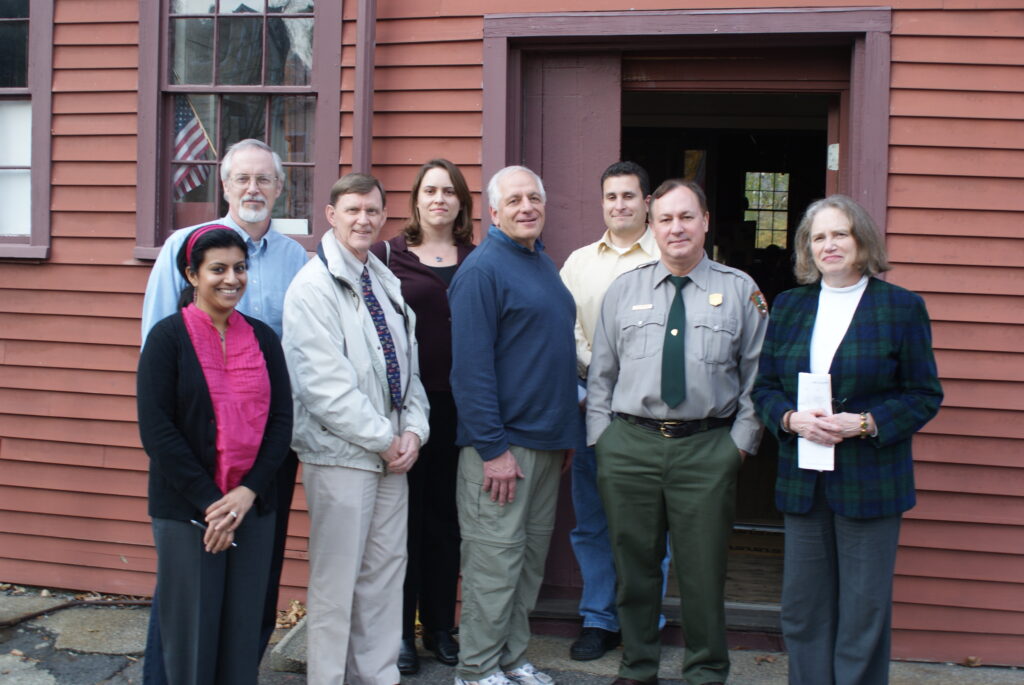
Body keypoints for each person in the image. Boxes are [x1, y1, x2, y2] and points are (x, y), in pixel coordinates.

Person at [751, 195, 942, 685]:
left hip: (871, 481)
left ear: (862, 241)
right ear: (806, 249)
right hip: (804, 479)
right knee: (803, 608)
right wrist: (791, 419)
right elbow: (765, 389)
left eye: (840, 234)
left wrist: (865, 423)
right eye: (818, 237)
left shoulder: (901, 307)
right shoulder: (791, 306)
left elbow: (923, 394)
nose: (829, 245)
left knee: (863, 612)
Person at [587, 179, 768, 685]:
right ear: (652, 225)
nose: (676, 228)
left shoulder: (739, 290)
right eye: (665, 219)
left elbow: (759, 378)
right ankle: (637, 665)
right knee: (634, 569)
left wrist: (739, 446)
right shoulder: (625, 289)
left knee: (702, 572)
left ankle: (707, 670)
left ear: (705, 221)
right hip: (630, 447)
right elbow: (600, 374)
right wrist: (603, 440)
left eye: (686, 217)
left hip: (707, 449)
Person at [139, 138, 307, 683]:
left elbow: (293, 374)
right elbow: (158, 380)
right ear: (225, 184)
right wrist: (211, 497)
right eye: (243, 179)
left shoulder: (294, 259)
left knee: (251, 590)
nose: (254, 189)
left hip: (262, 461)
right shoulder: (181, 249)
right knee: (187, 596)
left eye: (265, 180)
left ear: (280, 189)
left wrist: (251, 486)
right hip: (193, 461)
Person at [283, 173, 430, 685]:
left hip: (393, 456)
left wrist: (414, 430)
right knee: (336, 584)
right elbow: (324, 389)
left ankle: (377, 675)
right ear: (331, 215)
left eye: (372, 210)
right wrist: (386, 439)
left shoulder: (383, 279)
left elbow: (406, 368)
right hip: (342, 456)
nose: (363, 219)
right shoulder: (312, 287)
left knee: (384, 579)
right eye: (352, 210)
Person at [449, 165, 577, 685]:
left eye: (535, 198)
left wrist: (564, 433)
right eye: (515, 200)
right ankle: (476, 669)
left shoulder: (541, 262)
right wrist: (493, 448)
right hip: (502, 450)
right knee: (493, 565)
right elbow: (470, 370)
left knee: (526, 564)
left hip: (546, 444)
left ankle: (509, 658)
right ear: (494, 212)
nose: (527, 207)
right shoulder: (483, 271)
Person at [559, 161, 667, 661]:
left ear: (646, 202)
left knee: (650, 523)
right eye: (611, 197)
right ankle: (599, 619)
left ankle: (642, 622)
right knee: (594, 520)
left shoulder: (672, 255)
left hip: (654, 410)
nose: (619, 205)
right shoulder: (579, 263)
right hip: (592, 405)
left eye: (628, 196)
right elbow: (565, 326)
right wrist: (597, 369)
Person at [370, 159, 475, 674]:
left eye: (448, 191)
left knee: (446, 522)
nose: (439, 199)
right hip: (405, 410)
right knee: (402, 524)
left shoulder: (477, 259)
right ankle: (400, 633)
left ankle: (439, 626)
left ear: (461, 202)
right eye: (430, 190)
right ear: (415, 200)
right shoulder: (386, 256)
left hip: (460, 410)